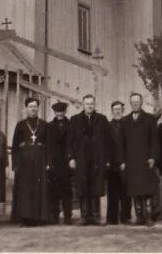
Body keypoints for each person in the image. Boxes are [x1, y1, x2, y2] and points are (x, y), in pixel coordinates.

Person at [68, 94, 112, 225]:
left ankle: (96, 216)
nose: (89, 106)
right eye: (87, 104)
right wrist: (71, 158)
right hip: (81, 159)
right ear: (83, 105)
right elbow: (69, 142)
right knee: (82, 187)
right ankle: (84, 216)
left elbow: (108, 142)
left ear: (94, 104)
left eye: (91, 103)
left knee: (96, 187)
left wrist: (107, 159)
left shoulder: (102, 119)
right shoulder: (75, 120)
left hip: (97, 160)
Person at [118, 92, 160, 227]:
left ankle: (148, 217)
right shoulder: (124, 121)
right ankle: (139, 217)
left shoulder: (149, 119)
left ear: (141, 102)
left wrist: (153, 157)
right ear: (130, 103)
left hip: (145, 161)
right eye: (133, 102)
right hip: (131, 162)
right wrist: (122, 161)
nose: (135, 104)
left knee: (147, 190)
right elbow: (121, 144)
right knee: (134, 190)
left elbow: (155, 141)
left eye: (137, 101)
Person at [11, 97, 50, 226]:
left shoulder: (44, 124)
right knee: (25, 189)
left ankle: (39, 218)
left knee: (39, 189)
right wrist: (15, 163)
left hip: (40, 159)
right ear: (26, 108)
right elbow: (15, 145)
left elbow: (49, 145)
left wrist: (48, 162)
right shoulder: (21, 124)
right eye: (30, 106)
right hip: (24, 161)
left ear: (38, 108)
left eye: (35, 106)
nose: (33, 109)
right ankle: (25, 217)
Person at [47, 101, 74, 224]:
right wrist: (48, 162)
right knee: (53, 191)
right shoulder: (49, 126)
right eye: (58, 112)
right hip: (54, 163)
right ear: (54, 112)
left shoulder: (71, 125)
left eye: (62, 111)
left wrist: (72, 158)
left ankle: (68, 216)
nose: (60, 114)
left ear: (65, 112)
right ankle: (54, 216)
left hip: (67, 162)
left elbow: (73, 144)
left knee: (67, 191)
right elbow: (47, 146)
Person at [105, 100, 131, 225]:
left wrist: (125, 161)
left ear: (123, 111)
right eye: (115, 110)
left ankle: (125, 217)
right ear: (112, 111)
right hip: (112, 164)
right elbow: (105, 145)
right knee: (112, 192)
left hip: (125, 163)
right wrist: (107, 161)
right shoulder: (108, 126)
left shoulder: (127, 125)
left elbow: (130, 145)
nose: (117, 112)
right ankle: (112, 218)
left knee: (125, 192)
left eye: (119, 109)